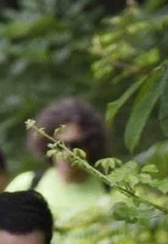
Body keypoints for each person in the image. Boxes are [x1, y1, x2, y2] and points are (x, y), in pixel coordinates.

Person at [7, 97, 113, 229]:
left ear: (90, 145)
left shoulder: (111, 190)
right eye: (59, 145)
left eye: (76, 145)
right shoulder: (26, 185)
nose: (67, 153)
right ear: (47, 145)